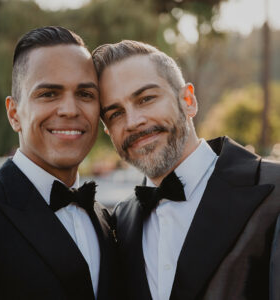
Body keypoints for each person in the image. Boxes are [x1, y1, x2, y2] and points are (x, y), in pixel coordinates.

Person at [92, 40, 280, 300]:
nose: (134, 122)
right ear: (108, 130)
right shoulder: (120, 221)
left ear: (188, 100)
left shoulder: (274, 190)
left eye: (146, 99)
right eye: (115, 114)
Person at [0, 26, 116, 300]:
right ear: (14, 113)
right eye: (49, 94)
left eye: (85, 94)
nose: (69, 109)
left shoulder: (107, 220)